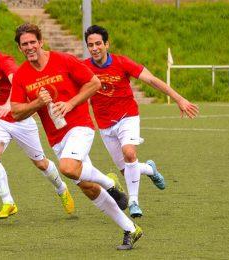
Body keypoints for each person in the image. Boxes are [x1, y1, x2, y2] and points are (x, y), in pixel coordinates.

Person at [10, 23, 141, 250]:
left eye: (33, 42)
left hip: (80, 126)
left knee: (68, 167)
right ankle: (131, 229)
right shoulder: (22, 74)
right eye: (24, 44)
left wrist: (70, 104)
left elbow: (94, 83)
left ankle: (110, 182)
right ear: (20, 48)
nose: (30, 47)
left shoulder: (64, 60)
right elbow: (15, 111)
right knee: (87, 187)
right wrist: (37, 103)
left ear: (41, 42)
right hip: (56, 138)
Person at [83, 25, 199, 218]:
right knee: (126, 169)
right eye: (90, 45)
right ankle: (149, 169)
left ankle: (134, 201)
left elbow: (152, 80)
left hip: (127, 116)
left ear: (106, 44)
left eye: (98, 44)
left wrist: (179, 98)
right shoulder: (84, 67)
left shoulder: (122, 62)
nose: (94, 48)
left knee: (129, 152)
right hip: (105, 125)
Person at [0, 25, 75, 219]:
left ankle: (61, 189)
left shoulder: (4, 61)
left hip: (21, 119)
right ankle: (8, 202)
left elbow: (17, 81)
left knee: (40, 163)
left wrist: (8, 104)